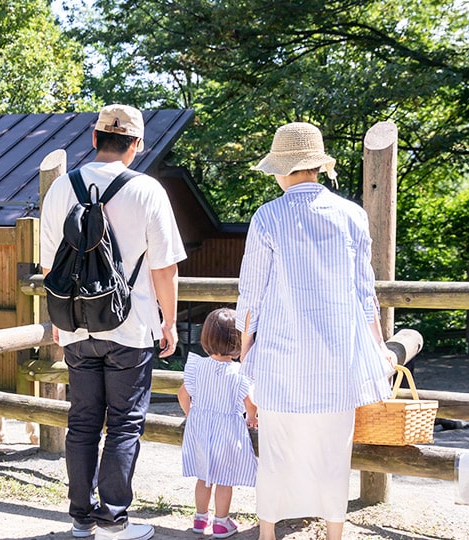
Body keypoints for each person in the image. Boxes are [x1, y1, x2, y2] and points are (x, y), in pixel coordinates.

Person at [235, 122, 397, 540]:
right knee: (333, 453)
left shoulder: (268, 216)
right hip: (338, 359)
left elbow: (251, 296)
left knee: (275, 451)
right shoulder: (352, 215)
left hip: (280, 357)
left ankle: (267, 533)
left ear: (281, 169)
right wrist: (378, 348)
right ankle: (334, 532)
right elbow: (366, 294)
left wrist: (244, 355)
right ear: (317, 167)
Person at [40, 104, 187, 540]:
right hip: (131, 325)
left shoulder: (62, 188)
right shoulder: (148, 191)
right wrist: (170, 322)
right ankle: (115, 520)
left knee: (82, 421)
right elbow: (164, 268)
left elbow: (50, 266)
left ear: (94, 137)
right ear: (137, 145)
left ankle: (81, 520)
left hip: (76, 326)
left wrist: (59, 319)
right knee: (124, 423)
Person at [177, 307, 257, 539]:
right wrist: (251, 418)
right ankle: (221, 523)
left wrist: (191, 414)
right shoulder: (239, 372)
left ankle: (201, 519)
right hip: (227, 431)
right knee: (224, 479)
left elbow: (183, 394)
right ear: (237, 340)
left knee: (204, 476)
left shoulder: (197, 366)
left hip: (200, 427)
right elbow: (249, 403)